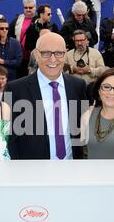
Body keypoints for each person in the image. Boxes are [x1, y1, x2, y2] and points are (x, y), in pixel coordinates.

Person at [5, 32, 87, 160]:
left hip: (72, 169)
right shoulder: (15, 89)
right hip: (33, 172)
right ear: (36, 55)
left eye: (59, 53)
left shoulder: (78, 86)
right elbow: (10, 138)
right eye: (46, 53)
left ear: (65, 54)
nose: (53, 59)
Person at [9, 0, 37, 78]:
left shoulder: (39, 20)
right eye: (26, 7)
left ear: (35, 8)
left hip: (33, 57)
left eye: (30, 7)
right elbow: (10, 35)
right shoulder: (17, 19)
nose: (28, 9)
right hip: (19, 57)